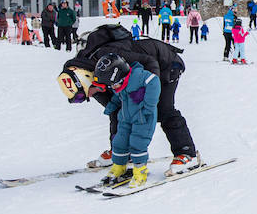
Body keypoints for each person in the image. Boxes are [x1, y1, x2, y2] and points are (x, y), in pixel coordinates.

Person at [59, 23, 200, 175]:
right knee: (118, 109)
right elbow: (117, 111)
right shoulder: (84, 74)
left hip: (165, 63)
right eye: (80, 98)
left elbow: (149, 61)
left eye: (84, 95)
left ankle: (187, 153)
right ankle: (121, 152)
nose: (88, 97)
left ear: (88, 80)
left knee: (163, 110)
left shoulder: (108, 55)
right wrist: (119, 150)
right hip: (136, 72)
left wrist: (152, 91)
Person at [92, 53, 159, 191]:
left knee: (137, 143)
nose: (114, 87)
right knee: (119, 142)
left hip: (143, 118)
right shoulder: (120, 84)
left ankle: (140, 171)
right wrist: (111, 106)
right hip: (125, 117)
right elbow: (119, 97)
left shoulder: (141, 78)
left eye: (114, 84)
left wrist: (148, 107)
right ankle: (119, 167)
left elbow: (154, 81)